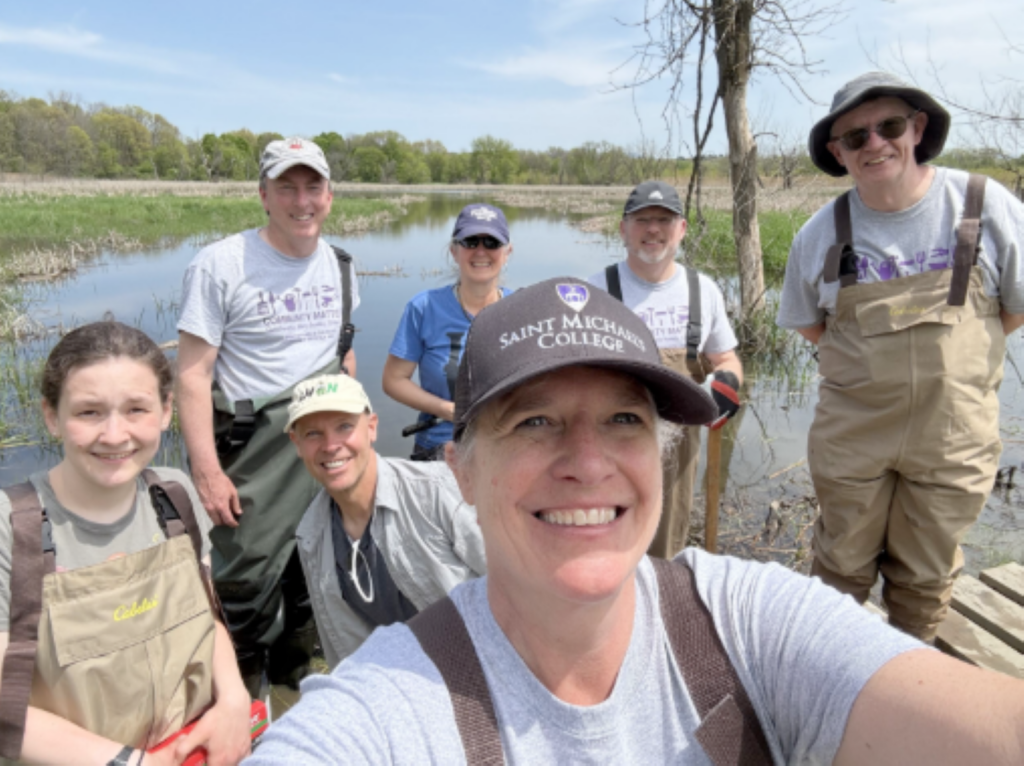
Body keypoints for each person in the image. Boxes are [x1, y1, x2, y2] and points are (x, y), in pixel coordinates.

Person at [246, 278, 1024, 765]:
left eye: (625, 418)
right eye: (535, 422)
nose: (589, 462)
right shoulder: (391, 701)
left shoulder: (744, 623)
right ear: (464, 474)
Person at [777, 71, 1024, 642]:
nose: (874, 144)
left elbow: (1011, 312)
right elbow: (813, 328)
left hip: (953, 436)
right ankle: (827, 683)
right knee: (838, 567)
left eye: (888, 126)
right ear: (837, 152)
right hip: (853, 435)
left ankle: (909, 687)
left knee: (927, 576)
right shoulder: (818, 234)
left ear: (916, 128)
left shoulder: (986, 206)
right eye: (855, 137)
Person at [0, 321, 250, 766]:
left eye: (136, 409)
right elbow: (6, 708)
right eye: (89, 412)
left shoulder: (174, 496)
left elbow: (208, 618)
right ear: (51, 415)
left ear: (166, 409)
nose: (115, 435)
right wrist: (136, 763)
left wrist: (232, 699)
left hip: (192, 749)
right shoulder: (10, 525)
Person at [176, 137, 360, 708]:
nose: (301, 201)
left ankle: (297, 672)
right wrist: (206, 471)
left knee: (317, 558)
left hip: (325, 438)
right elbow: (191, 376)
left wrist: (361, 429)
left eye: (313, 187)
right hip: (253, 449)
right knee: (246, 574)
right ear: (263, 194)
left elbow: (344, 356)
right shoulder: (220, 264)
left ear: (329, 196)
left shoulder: (342, 265)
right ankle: (239, 688)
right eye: (287, 187)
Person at [284, 373, 486, 669]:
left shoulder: (440, 493)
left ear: (372, 428)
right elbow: (342, 648)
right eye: (313, 433)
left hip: (481, 672)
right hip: (398, 693)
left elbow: (524, 589)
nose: (330, 445)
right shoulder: (311, 535)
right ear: (297, 443)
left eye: (344, 426)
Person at [587, 181, 743, 557]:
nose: (653, 229)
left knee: (668, 540)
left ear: (682, 229)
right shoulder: (594, 291)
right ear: (623, 228)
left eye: (663, 220)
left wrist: (726, 387)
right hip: (606, 441)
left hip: (679, 441)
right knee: (604, 533)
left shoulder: (703, 290)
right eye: (642, 220)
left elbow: (727, 360)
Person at [383, 203, 513, 460]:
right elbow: (393, 381)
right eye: (470, 241)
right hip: (440, 445)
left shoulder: (521, 310)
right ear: (454, 250)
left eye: (491, 242)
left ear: (507, 252)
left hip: (505, 446)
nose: (480, 251)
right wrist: (447, 410)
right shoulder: (424, 308)